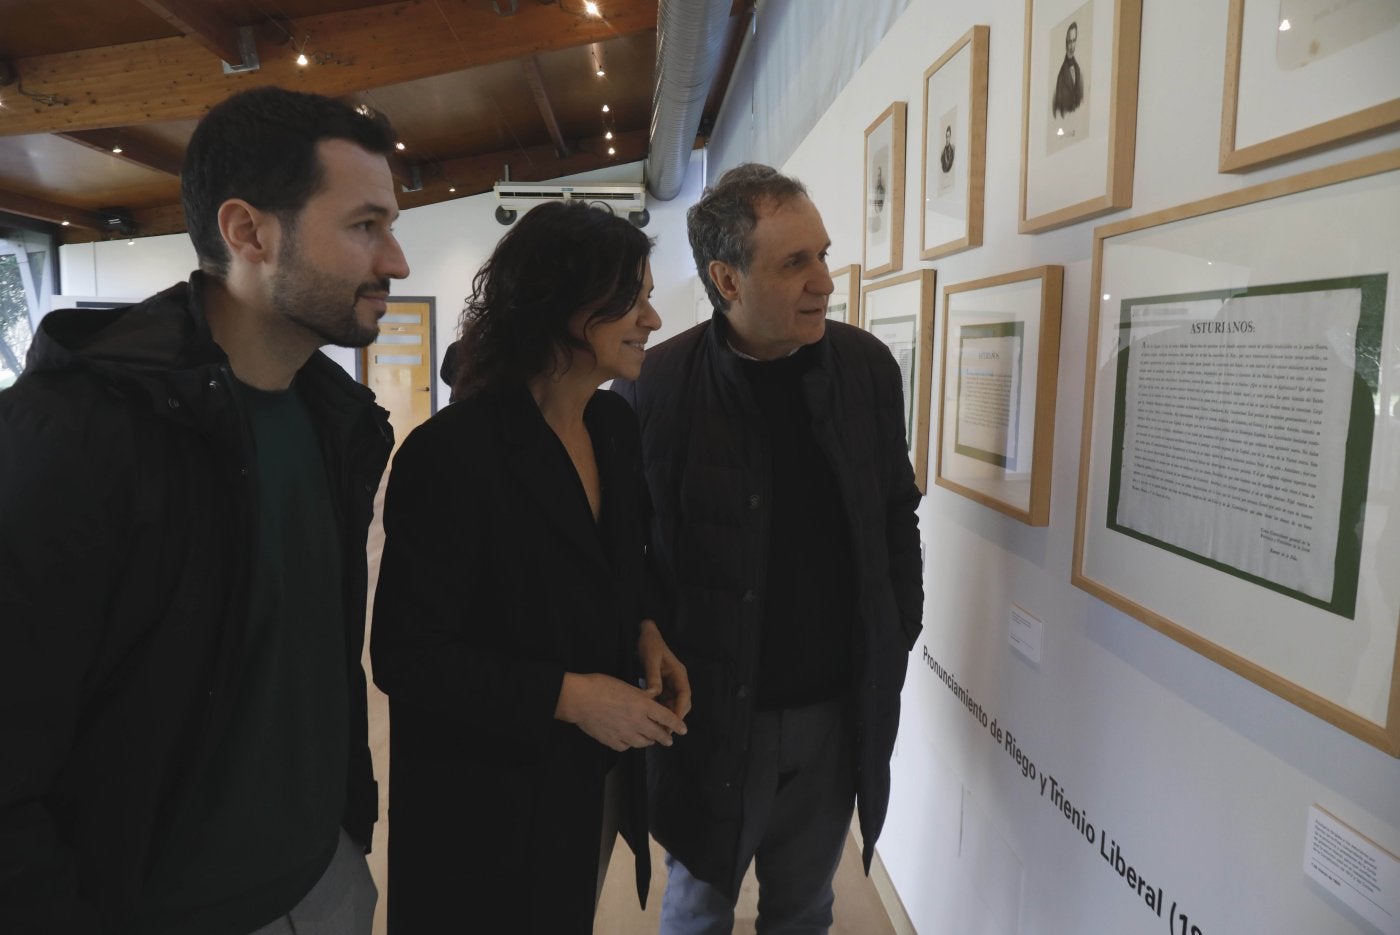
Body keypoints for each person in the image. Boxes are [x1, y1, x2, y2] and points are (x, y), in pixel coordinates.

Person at [0, 86, 409, 935]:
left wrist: (345, 835)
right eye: (365, 225)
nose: (396, 261)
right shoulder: (74, 437)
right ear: (249, 232)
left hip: (327, 882)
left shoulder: (337, 422)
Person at [613, 163, 924, 934]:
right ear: (727, 278)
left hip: (833, 711)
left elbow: (895, 510)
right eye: (795, 263)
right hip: (709, 714)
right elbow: (625, 544)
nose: (824, 280)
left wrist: (896, 628)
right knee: (697, 906)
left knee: (804, 909)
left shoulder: (865, 369)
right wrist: (646, 636)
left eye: (822, 254)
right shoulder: (656, 385)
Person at [370, 200, 691, 933]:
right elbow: (407, 656)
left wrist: (645, 629)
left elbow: (622, 563)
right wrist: (570, 696)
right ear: (564, 303)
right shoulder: (452, 454)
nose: (652, 319)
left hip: (585, 781)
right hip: (485, 807)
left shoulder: (614, 424)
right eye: (633, 299)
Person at [1053, 21, 1084, 118]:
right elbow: (1059, 112)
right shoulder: (1061, 76)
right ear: (1065, 43)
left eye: (1074, 41)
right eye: (1069, 41)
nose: (1072, 46)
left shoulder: (1078, 69)